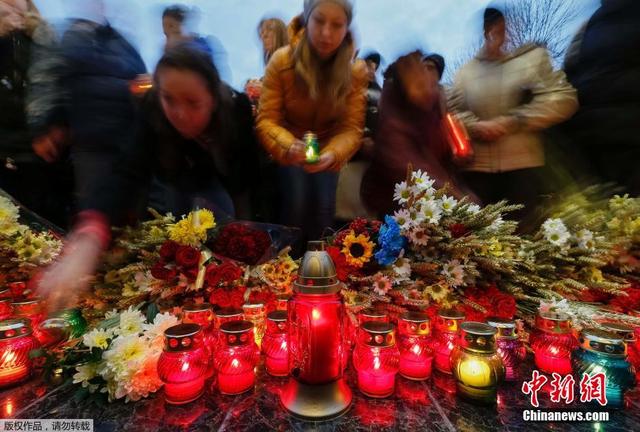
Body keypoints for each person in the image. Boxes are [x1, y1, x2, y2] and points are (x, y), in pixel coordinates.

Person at [37, 45, 260, 311]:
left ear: (213, 97)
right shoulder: (152, 108)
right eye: (169, 99)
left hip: (225, 180)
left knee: (234, 240)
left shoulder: (237, 109)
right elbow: (126, 172)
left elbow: (249, 181)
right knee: (180, 249)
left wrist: (256, 241)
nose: (179, 114)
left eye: (192, 102)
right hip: (177, 178)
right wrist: (89, 238)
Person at [448, 7, 578, 225]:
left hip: (522, 168)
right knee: (482, 240)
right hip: (478, 172)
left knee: (525, 234)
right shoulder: (465, 73)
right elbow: (453, 112)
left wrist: (516, 120)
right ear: (486, 31)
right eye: (494, 29)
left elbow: (564, 98)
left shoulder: (531, 60)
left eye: (505, 29)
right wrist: (475, 126)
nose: (501, 35)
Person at [256, 0, 367, 246]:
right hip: (291, 145)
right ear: (307, 19)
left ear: (347, 28)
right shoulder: (281, 61)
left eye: (337, 25)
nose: (326, 33)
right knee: (294, 207)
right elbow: (266, 120)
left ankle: (321, 273)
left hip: (328, 149)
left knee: (324, 213)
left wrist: (333, 154)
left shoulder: (355, 71)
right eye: (319, 21)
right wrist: (288, 145)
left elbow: (351, 128)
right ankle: (286, 272)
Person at [361, 51, 463, 217]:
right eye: (418, 84)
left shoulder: (435, 107)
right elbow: (406, 162)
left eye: (429, 83)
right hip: (394, 200)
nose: (425, 91)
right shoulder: (393, 111)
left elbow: (441, 152)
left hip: (429, 197)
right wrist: (456, 197)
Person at [0, 0, 71, 227]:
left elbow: (56, 87)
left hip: (40, 153)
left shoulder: (44, 38)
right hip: (8, 150)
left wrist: (53, 128)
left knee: (46, 226)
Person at [562, 0, 640, 194]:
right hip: (630, 131)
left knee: (615, 206)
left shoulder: (589, 26)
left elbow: (570, 74)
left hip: (595, 134)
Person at [162, 4, 232, 84]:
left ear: (187, 26)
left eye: (176, 33)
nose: (171, 40)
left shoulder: (206, 46)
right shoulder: (168, 56)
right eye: (167, 35)